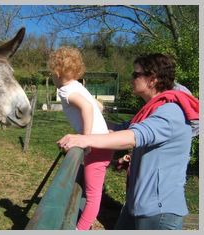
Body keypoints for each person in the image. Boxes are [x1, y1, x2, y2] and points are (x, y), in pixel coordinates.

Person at [57, 53, 199, 230]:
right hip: (136, 205)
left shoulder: (170, 112)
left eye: (136, 74)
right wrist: (91, 124)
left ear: (152, 79)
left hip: (158, 213)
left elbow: (132, 137)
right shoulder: (150, 111)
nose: (131, 78)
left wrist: (84, 138)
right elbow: (121, 128)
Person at [48, 47, 113, 230]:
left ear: (57, 72)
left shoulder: (65, 91)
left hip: (96, 145)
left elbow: (87, 108)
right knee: (93, 189)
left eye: (51, 74)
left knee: (93, 195)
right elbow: (98, 106)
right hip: (105, 142)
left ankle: (80, 229)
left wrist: (85, 138)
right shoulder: (78, 85)